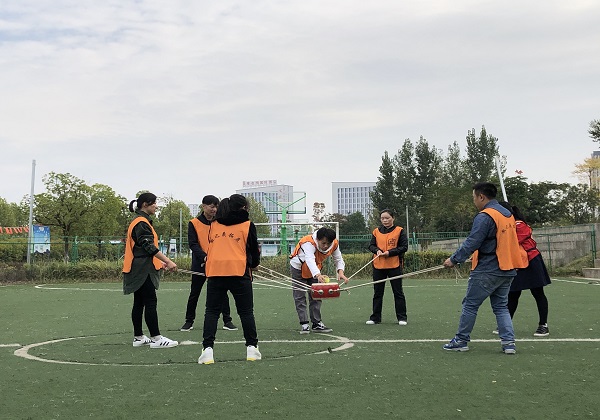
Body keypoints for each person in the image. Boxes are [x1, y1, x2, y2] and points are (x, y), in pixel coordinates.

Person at [442, 182, 527, 354]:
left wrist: (454, 259)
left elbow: (473, 241)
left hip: (488, 269)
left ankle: (461, 340)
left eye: (474, 197)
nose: (474, 201)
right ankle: (509, 343)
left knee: (470, 305)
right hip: (508, 268)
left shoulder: (485, 216)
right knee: (501, 307)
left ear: (481, 197)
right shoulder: (507, 214)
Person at [197, 194, 261, 364]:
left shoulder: (214, 224)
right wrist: (254, 264)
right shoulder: (247, 225)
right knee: (246, 312)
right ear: (243, 208)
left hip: (215, 272)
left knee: (212, 312)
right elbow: (253, 251)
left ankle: (207, 350)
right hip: (239, 272)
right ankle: (252, 348)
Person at [123, 192, 179, 349]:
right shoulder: (141, 222)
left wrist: (159, 262)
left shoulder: (138, 221)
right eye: (154, 203)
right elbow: (148, 246)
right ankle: (156, 338)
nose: (156, 206)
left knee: (139, 302)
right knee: (150, 301)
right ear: (145, 205)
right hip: (142, 269)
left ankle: (139, 337)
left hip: (138, 267)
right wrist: (167, 261)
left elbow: (142, 249)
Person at [180, 195, 237, 332]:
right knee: (195, 292)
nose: (214, 209)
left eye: (216, 207)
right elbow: (193, 244)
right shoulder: (194, 223)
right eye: (212, 206)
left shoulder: (220, 222)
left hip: (217, 264)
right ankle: (189, 321)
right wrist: (204, 257)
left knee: (222, 292)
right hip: (200, 264)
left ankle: (227, 321)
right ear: (203, 206)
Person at [497, 202, 551, 337]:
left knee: (538, 293)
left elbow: (511, 242)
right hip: (517, 263)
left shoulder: (520, 225)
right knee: (513, 293)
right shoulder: (505, 226)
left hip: (532, 261)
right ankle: (506, 324)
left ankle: (543, 325)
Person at [289, 227, 349, 334]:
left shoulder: (334, 243)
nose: (326, 246)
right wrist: (318, 275)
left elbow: (338, 258)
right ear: (317, 239)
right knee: (299, 296)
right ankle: (304, 324)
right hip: (299, 268)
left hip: (315, 269)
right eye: (323, 243)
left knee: (317, 295)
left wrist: (341, 272)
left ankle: (317, 323)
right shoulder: (308, 243)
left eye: (328, 243)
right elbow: (310, 259)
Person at [366, 209, 409, 326]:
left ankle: (402, 318)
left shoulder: (399, 231)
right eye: (382, 218)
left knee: (398, 292)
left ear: (393, 218)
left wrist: (389, 253)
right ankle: (375, 317)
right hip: (378, 266)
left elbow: (404, 247)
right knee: (377, 293)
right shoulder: (376, 231)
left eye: (387, 218)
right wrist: (377, 250)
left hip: (394, 265)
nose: (385, 220)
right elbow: (371, 245)